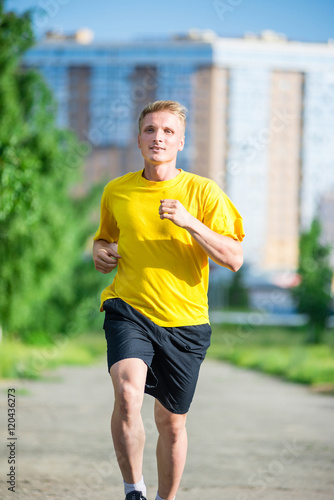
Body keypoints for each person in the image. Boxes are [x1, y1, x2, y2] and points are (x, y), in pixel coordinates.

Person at [93, 100, 244, 500]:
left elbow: (234, 258)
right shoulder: (117, 190)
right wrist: (101, 250)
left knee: (171, 421)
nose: (158, 137)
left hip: (186, 321)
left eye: (167, 132)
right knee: (127, 395)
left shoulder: (203, 191)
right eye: (150, 130)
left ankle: (166, 498)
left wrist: (190, 222)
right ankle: (134, 490)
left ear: (180, 142)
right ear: (139, 139)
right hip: (129, 309)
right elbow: (105, 239)